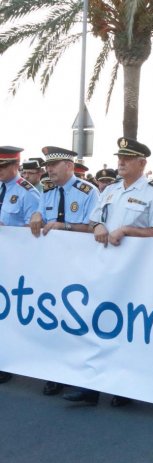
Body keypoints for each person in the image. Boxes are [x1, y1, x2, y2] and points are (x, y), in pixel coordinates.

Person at [64, 137, 153, 406]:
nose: (121, 162)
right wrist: (98, 226)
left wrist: (128, 230)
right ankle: (90, 387)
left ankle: (124, 387)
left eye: (127, 158)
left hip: (134, 273)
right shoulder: (110, 189)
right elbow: (95, 219)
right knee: (98, 325)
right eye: (120, 157)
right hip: (105, 267)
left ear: (142, 163)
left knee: (127, 330)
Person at [27, 146, 100, 396]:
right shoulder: (47, 190)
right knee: (54, 320)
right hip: (52, 266)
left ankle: (79, 374)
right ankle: (56, 372)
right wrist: (37, 214)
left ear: (69, 166)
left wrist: (65, 226)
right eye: (47, 165)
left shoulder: (88, 191)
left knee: (77, 322)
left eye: (53, 165)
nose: (48, 170)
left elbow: (94, 227)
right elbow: (40, 212)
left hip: (79, 267)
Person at [0, 145, 41, 384]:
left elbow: (32, 232)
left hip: (15, 265)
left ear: (16, 165)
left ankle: (7, 362)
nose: (0, 171)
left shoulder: (27, 193)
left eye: (4, 166)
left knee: (10, 316)